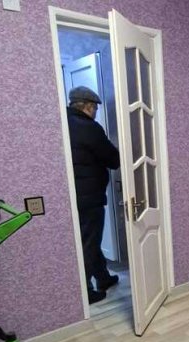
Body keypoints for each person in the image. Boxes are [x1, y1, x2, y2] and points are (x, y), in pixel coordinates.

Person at [67, 86, 120, 304]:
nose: (96, 112)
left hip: (73, 197)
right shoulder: (89, 128)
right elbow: (113, 159)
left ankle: (103, 278)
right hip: (90, 197)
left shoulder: (62, 122)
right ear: (88, 107)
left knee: (89, 240)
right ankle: (86, 290)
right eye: (95, 109)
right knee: (89, 243)